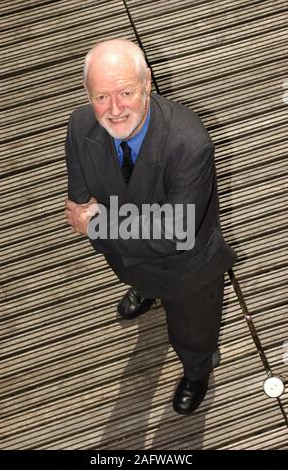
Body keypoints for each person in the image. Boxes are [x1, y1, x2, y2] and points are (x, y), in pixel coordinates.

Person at [64, 39, 237, 415]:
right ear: (86, 93)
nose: (114, 109)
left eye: (126, 92)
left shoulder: (189, 144)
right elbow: (78, 200)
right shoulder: (80, 125)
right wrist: (90, 217)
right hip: (127, 258)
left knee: (193, 334)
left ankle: (197, 370)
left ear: (148, 83)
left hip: (186, 271)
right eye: (101, 96)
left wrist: (96, 224)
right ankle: (145, 291)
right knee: (136, 276)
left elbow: (175, 233)